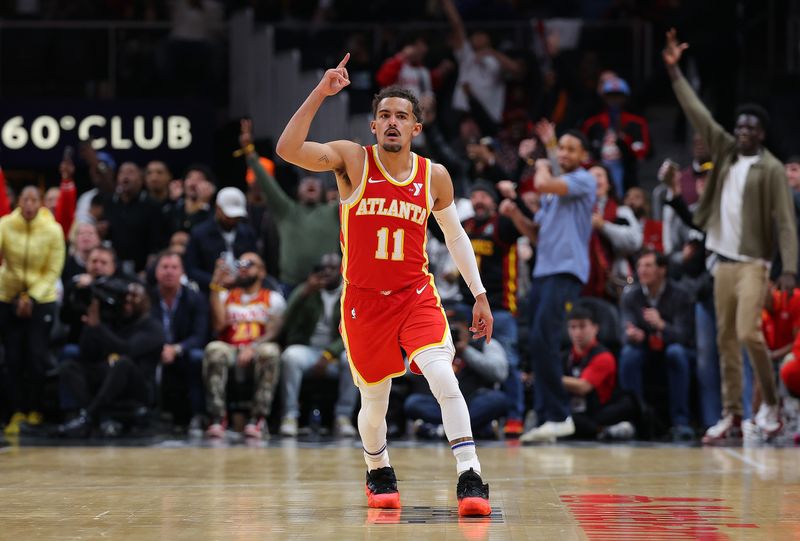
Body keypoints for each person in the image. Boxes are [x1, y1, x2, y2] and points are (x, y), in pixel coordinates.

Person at [275, 54, 493, 516]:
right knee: (375, 403)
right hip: (364, 303)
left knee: (442, 377)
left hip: (416, 295)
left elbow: (455, 235)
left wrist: (480, 294)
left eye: (402, 116)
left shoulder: (433, 175)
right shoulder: (353, 160)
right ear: (373, 126)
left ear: (416, 128)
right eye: (385, 115)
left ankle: (470, 474)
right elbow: (288, 150)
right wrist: (322, 92)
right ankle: (378, 468)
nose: (393, 122)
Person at [664, 29, 798, 443]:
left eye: (751, 127)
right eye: (739, 125)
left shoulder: (772, 169)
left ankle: (772, 406)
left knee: (746, 334)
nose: (742, 131)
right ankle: (732, 415)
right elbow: (698, 113)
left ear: (761, 133)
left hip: (754, 263)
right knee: (724, 340)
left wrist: (789, 267)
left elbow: (785, 221)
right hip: (720, 260)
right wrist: (674, 72)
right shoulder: (723, 152)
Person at [519, 131, 596, 444]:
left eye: (570, 149)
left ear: (582, 155)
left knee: (545, 338)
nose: (564, 153)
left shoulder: (584, 179)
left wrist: (540, 161)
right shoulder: (553, 194)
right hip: (544, 271)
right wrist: (515, 215)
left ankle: (558, 415)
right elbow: (538, 236)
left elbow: (541, 182)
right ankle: (545, 415)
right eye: (560, 148)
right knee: (536, 342)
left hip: (566, 270)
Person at [0, 187, 66, 435]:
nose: (29, 204)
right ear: (18, 201)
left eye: (34, 200)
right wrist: (17, 295)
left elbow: (53, 269)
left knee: (37, 356)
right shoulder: (5, 224)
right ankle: (16, 412)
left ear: (40, 203)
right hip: (8, 296)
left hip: (42, 298)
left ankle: (35, 411)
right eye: (24, 199)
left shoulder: (53, 229)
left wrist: (32, 296)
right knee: (13, 357)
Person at [203, 252, 284, 440]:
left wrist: (253, 346)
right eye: (241, 264)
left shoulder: (272, 298)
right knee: (214, 349)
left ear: (262, 272)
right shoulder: (226, 296)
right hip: (231, 348)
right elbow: (217, 325)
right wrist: (215, 284)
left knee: (271, 352)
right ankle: (218, 417)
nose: (244, 267)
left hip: (257, 347)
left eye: (251, 264)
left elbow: (274, 331)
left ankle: (258, 419)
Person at [278, 253, 358, 438]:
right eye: (323, 268)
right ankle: (290, 416)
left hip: (336, 353)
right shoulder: (307, 290)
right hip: (309, 350)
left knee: (352, 361)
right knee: (290, 356)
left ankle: (343, 417)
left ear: (342, 269)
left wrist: (329, 354)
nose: (327, 272)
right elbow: (286, 321)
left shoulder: (350, 292)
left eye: (332, 268)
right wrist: (304, 292)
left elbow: (351, 330)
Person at [618, 250, 694, 441]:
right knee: (628, 355)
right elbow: (624, 331)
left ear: (662, 270)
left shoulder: (681, 295)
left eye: (648, 266)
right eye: (640, 266)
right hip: (643, 348)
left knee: (676, 353)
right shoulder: (631, 295)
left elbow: (684, 336)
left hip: (671, 348)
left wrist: (661, 325)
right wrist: (632, 335)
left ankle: (680, 421)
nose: (642, 271)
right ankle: (634, 420)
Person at [149, 251, 209, 429]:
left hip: (184, 350)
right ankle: (148, 413)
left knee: (196, 357)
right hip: (155, 349)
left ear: (182, 272)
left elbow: (200, 336)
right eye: (164, 267)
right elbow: (141, 330)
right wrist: (159, 348)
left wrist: (176, 349)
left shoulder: (195, 298)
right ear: (156, 272)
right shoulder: (147, 297)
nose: (169, 272)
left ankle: (198, 414)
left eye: (174, 267)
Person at [185, 186, 258, 292]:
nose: (232, 219)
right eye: (228, 215)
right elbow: (191, 269)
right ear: (218, 208)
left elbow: (255, 263)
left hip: (243, 289)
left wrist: (240, 278)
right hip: (209, 290)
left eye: (236, 216)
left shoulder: (248, 234)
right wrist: (214, 280)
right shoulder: (200, 233)